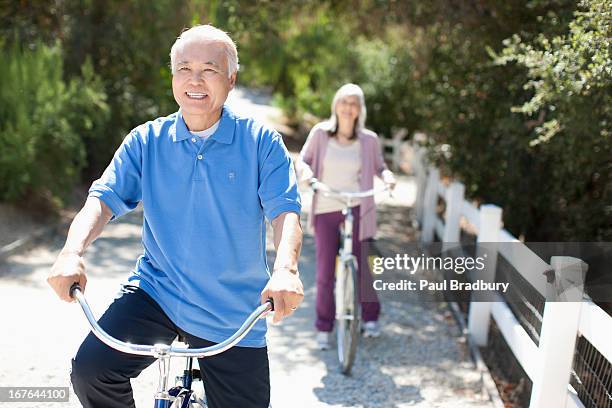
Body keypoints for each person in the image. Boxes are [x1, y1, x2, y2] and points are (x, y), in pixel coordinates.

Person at [47, 25, 304, 408]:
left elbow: (285, 212)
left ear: (231, 79)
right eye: (184, 68)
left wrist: (286, 269)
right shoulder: (146, 140)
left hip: (232, 312)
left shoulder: (261, 143)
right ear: (172, 78)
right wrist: (72, 251)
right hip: (157, 294)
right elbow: (102, 199)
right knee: (91, 372)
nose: (195, 80)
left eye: (209, 70)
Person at [297, 83, 396, 350]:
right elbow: (303, 160)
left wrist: (388, 178)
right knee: (325, 271)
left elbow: (381, 167)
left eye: (354, 103)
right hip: (327, 204)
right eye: (344, 101)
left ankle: (371, 318)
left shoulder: (369, 140)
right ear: (336, 105)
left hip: (358, 206)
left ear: (360, 109)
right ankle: (324, 327)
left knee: (363, 265)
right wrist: (306, 174)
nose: (348, 107)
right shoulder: (320, 134)